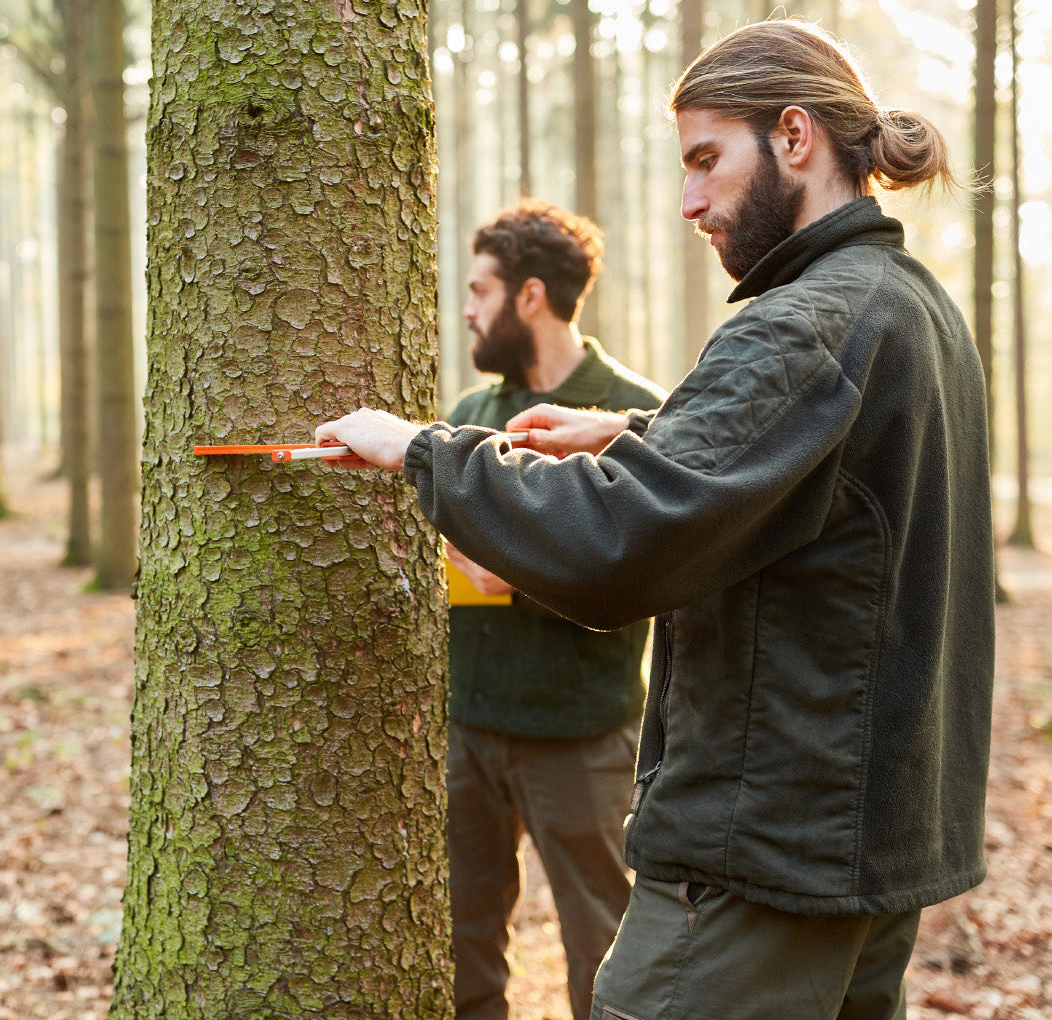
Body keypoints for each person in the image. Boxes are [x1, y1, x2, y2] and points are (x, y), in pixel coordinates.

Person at [315, 19, 993, 1019]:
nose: (688, 202)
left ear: (794, 137)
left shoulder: (799, 325)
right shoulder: (905, 306)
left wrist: (425, 451)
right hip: (867, 851)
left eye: (705, 161)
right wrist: (640, 425)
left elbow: (617, 546)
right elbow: (830, 479)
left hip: (759, 861)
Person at [443, 200, 665, 1020]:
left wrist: (522, 574)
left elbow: (650, 566)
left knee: (603, 957)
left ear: (528, 296)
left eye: (478, 290)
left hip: (582, 738)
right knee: (460, 948)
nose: (466, 309)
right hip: (465, 731)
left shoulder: (632, 414)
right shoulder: (468, 417)